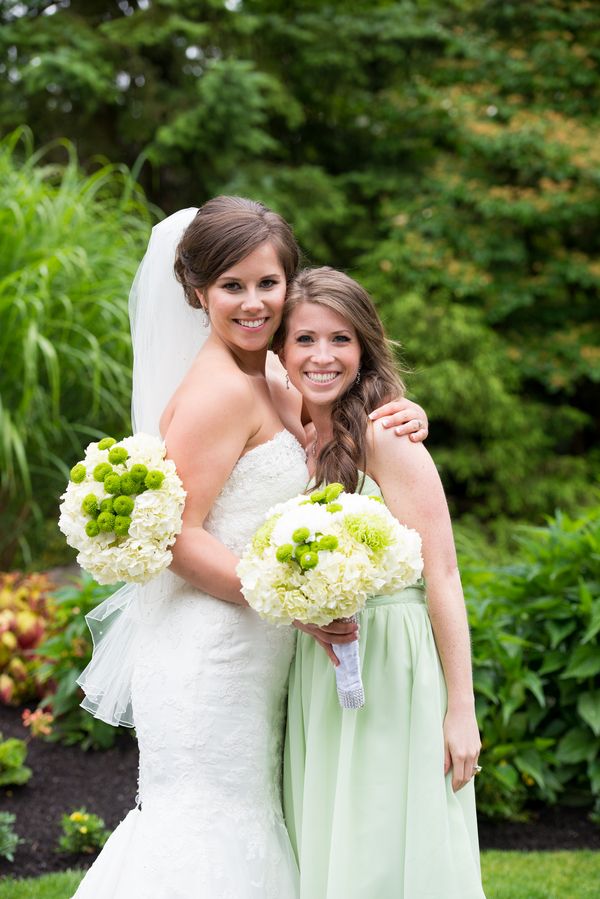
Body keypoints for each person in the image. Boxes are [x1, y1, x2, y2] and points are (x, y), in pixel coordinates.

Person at [72, 199, 429, 899]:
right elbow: (175, 538)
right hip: (210, 651)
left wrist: (402, 408)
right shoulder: (220, 393)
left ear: (289, 283)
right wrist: (290, 604)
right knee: (207, 826)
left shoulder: (263, 376)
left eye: (268, 283)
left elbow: (334, 428)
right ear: (197, 290)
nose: (253, 301)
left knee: (246, 820)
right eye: (232, 285)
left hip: (247, 640)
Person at [274, 267, 486, 899]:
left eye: (340, 339)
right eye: (304, 339)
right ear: (281, 350)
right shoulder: (291, 443)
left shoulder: (387, 437)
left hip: (394, 660)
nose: (321, 356)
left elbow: (443, 575)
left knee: (388, 837)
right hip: (319, 667)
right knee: (336, 834)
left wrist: (461, 709)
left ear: (363, 347)